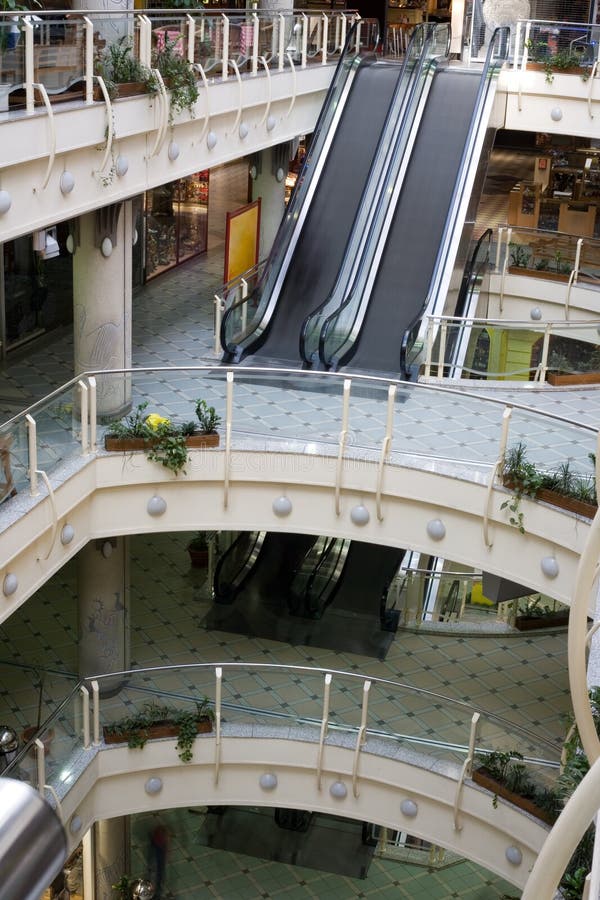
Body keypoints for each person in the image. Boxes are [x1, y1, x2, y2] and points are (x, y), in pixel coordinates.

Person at [149, 823, 169, 899]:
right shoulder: (162, 838)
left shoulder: (160, 838)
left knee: (159, 874)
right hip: (159, 851)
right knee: (159, 874)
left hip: (159, 851)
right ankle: (157, 893)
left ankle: (156, 893)